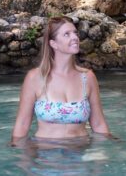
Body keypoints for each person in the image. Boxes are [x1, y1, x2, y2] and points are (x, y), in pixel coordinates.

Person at [10, 16, 112, 145]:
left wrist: (106, 154)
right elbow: (22, 124)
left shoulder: (88, 77)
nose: (75, 37)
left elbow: (98, 123)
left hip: (80, 157)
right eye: (66, 34)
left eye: (75, 33)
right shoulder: (34, 78)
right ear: (54, 44)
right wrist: (22, 160)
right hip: (46, 157)